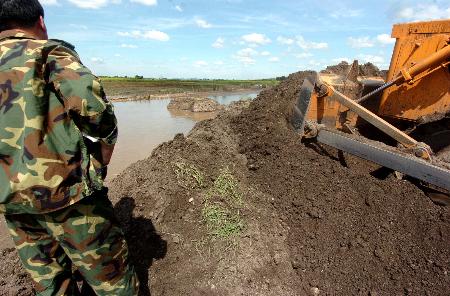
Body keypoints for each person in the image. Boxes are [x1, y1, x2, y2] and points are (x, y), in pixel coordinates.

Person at [0, 0, 139, 294]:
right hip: (68, 195)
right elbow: (95, 112)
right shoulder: (48, 53)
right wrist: (102, 154)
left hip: (12, 201)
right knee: (113, 282)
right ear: (40, 22)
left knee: (50, 284)